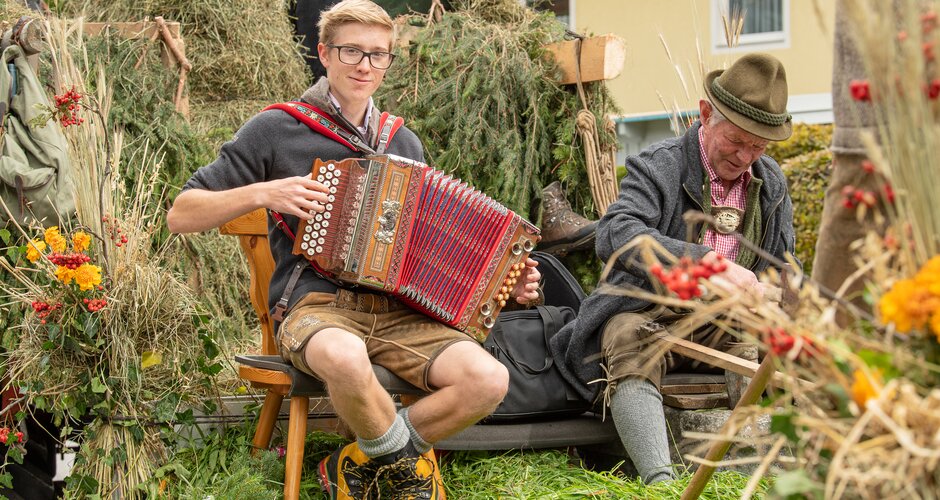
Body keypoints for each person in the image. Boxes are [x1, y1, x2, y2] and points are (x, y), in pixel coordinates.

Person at [167, 1, 540, 498]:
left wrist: (504, 284)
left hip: (394, 313)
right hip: (315, 307)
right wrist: (265, 193)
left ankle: (361, 460)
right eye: (351, 51)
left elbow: (428, 251)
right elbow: (181, 213)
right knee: (344, 357)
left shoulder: (402, 141)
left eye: (378, 55)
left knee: (488, 379)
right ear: (323, 53)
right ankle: (405, 473)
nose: (365, 65)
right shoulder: (277, 128)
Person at [549, 53, 798, 484]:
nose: (745, 156)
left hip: (725, 323)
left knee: (773, 346)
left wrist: (789, 298)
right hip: (650, 312)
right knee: (628, 335)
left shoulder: (770, 183)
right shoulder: (660, 164)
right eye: (736, 140)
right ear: (705, 114)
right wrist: (707, 264)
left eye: (758, 146)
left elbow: (783, 267)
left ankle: (771, 473)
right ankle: (659, 483)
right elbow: (616, 232)